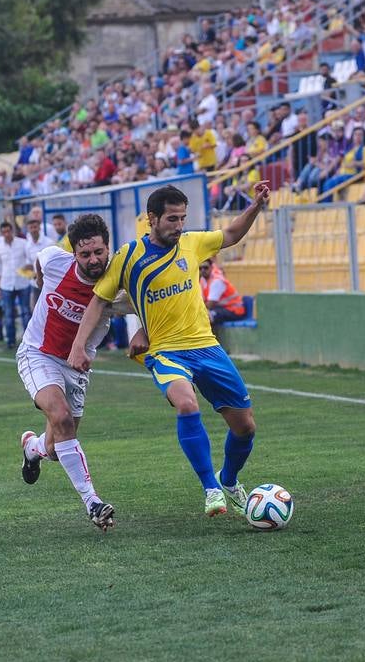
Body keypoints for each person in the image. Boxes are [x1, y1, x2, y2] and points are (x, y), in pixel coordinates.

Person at [68, 182, 270, 519]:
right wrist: (79, 347)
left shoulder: (192, 243)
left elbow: (232, 234)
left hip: (206, 346)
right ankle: (210, 488)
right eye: (172, 219)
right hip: (165, 352)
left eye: (182, 219)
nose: (179, 226)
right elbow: (99, 300)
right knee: (187, 404)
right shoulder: (128, 256)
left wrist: (256, 206)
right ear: (152, 218)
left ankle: (229, 480)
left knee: (245, 427)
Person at [17, 214, 145, 532]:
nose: (93, 260)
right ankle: (93, 503)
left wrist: (143, 330)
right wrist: (38, 282)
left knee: (55, 449)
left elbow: (148, 302)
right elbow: (39, 258)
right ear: (74, 253)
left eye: (99, 252)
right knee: (60, 419)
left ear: (108, 248)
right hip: (38, 354)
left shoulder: (116, 285)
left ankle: (32, 449)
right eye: (85, 254)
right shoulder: (55, 261)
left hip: (77, 368)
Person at [0, 221, 31, 349]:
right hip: (6, 284)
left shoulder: (23, 243)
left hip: (23, 282)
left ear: (12, 231)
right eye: (4, 232)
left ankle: (28, 341)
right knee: (8, 314)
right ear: (1, 233)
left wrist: (28, 267)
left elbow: (29, 260)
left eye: (8, 231)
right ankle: (11, 341)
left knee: (26, 312)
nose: (7, 234)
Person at [320, 127, 365, 202]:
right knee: (327, 182)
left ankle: (326, 206)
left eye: (360, 135)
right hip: (344, 173)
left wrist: (355, 163)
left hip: (355, 174)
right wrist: (339, 171)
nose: (358, 137)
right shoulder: (349, 148)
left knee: (329, 184)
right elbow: (344, 162)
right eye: (356, 134)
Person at [199, 259, 245, 328]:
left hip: (235, 310)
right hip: (221, 308)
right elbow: (201, 300)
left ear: (211, 267)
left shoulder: (217, 281)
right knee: (202, 314)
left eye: (206, 267)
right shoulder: (203, 279)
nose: (203, 270)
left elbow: (209, 305)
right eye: (200, 268)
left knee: (207, 315)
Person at [24, 214, 55, 310]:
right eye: (31, 227)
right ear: (28, 229)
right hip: (34, 283)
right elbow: (29, 261)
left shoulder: (49, 243)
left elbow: (52, 263)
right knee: (35, 309)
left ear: (39, 227)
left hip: (47, 283)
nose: (33, 229)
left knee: (48, 309)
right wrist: (28, 272)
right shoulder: (27, 245)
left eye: (35, 227)